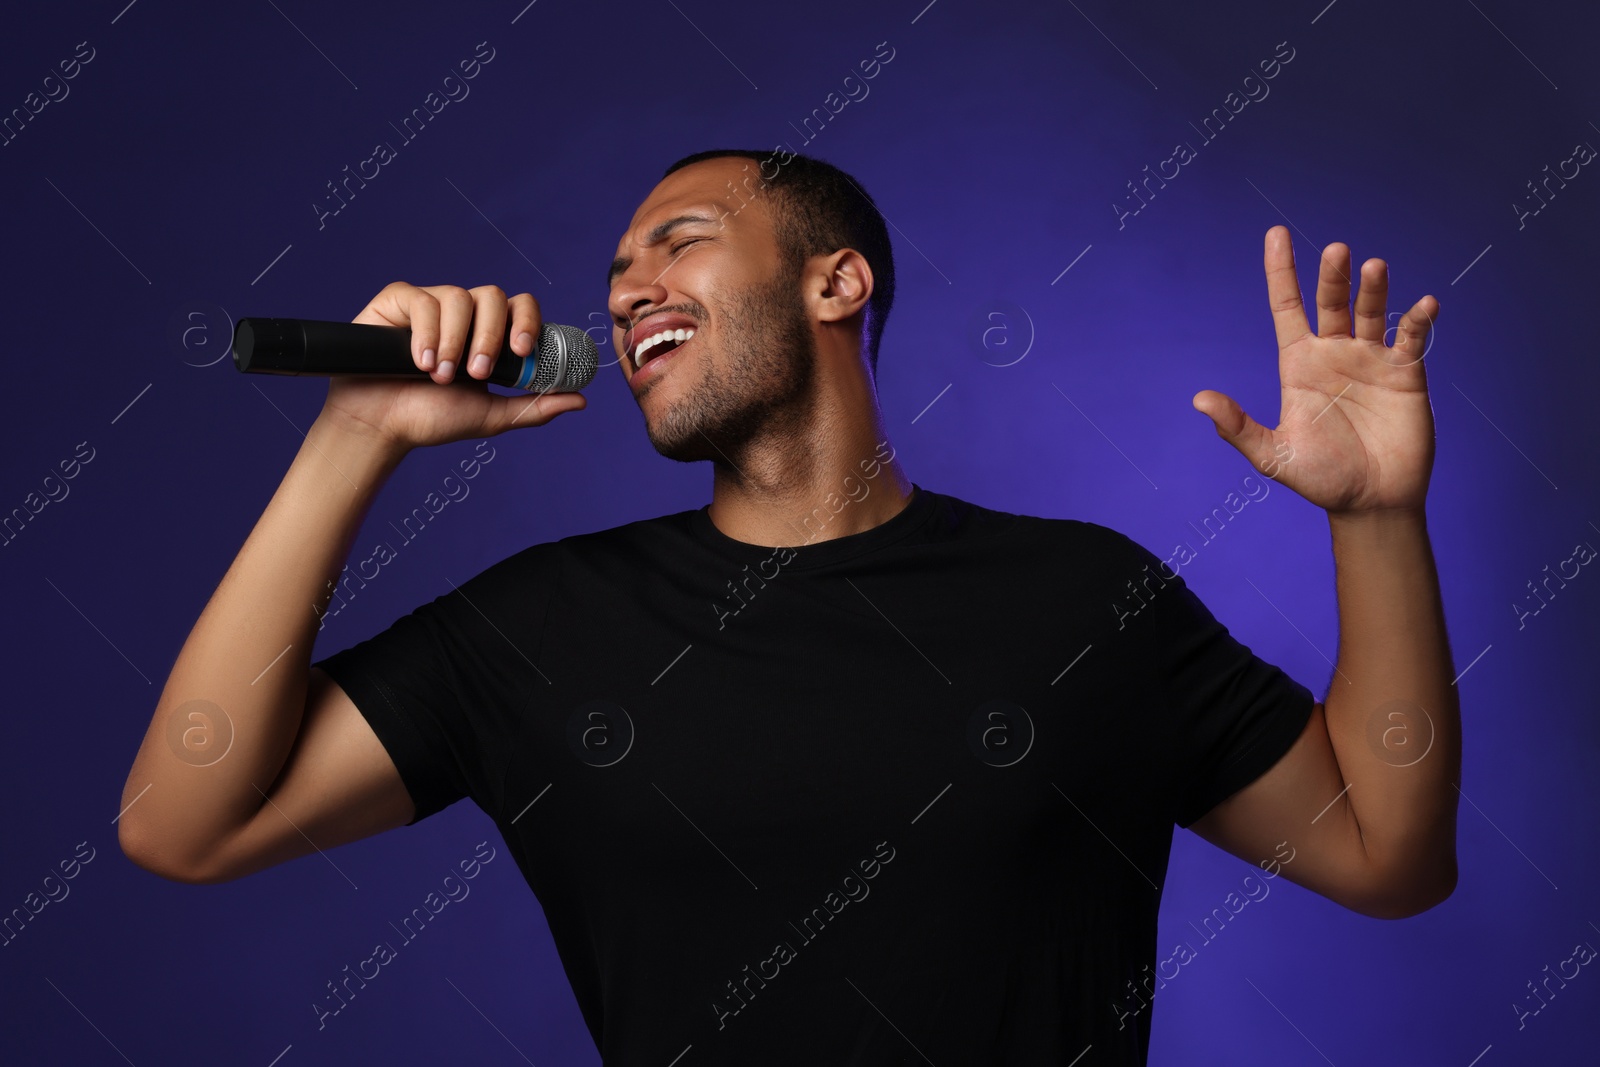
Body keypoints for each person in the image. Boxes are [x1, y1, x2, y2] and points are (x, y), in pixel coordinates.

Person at [119, 148, 1460, 1064]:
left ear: (837, 281)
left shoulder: (1085, 596)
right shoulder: (546, 624)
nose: (627, 286)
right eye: (617, 270)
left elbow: (1388, 856)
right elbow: (186, 821)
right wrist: (355, 437)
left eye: (678, 243)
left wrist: (1377, 519)